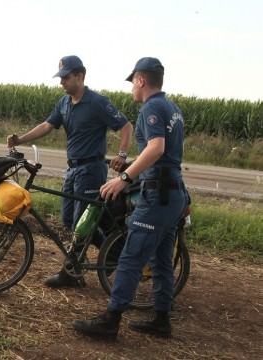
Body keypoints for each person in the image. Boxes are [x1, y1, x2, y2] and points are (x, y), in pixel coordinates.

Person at [73, 57, 189, 339]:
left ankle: (110, 321)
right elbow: (164, 156)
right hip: (173, 194)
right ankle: (162, 319)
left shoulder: (151, 107)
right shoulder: (172, 108)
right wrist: (130, 168)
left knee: (131, 257)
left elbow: (157, 148)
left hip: (158, 198)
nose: (131, 90)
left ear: (141, 80)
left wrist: (124, 179)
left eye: (132, 83)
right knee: (162, 260)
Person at [7, 55, 133, 288]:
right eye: (61, 78)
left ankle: (74, 271)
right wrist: (20, 140)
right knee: (68, 219)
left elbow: (126, 126)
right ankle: (112, 250)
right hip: (73, 169)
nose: (61, 82)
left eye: (66, 78)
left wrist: (122, 154)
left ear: (80, 76)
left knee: (80, 224)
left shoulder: (97, 102)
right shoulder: (64, 103)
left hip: (92, 169)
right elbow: (47, 125)